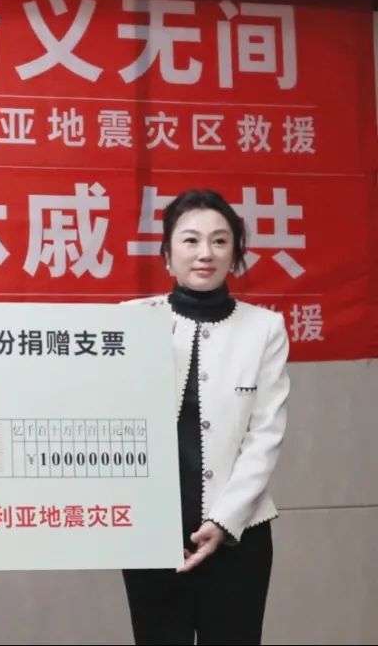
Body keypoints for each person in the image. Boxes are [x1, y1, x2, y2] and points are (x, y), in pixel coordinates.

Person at [122, 189, 290, 645]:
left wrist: (224, 520)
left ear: (235, 253)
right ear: (167, 254)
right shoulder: (131, 322)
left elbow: (265, 436)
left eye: (219, 241)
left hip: (240, 533)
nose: (205, 253)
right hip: (152, 534)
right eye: (191, 240)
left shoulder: (265, 328)